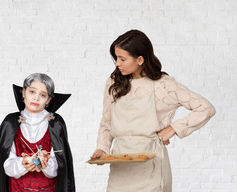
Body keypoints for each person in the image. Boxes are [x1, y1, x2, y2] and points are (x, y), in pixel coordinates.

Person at [91, 30, 216, 192]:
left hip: (151, 167)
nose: (117, 64)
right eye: (116, 58)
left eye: (122, 59)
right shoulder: (114, 83)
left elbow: (206, 108)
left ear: (140, 59)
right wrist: (102, 148)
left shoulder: (163, 85)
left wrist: (173, 129)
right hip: (120, 166)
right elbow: (106, 123)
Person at [0, 73, 75, 192]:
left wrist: (46, 163)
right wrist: (22, 164)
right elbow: (4, 164)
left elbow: (61, 166)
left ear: (48, 100)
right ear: (24, 92)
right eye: (32, 92)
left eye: (43, 95)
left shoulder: (55, 123)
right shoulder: (10, 122)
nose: (36, 98)